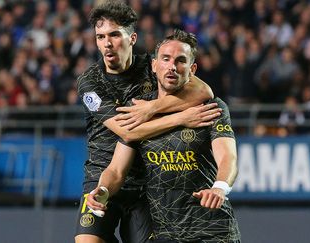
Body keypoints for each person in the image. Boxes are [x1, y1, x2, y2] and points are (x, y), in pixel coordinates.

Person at [75, 2, 219, 243]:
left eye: (114, 35)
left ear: (132, 38)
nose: (107, 43)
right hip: (101, 178)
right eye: (100, 37)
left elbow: (204, 91)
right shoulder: (90, 83)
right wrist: (180, 117)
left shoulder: (152, 67)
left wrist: (153, 107)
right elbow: (126, 131)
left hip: (146, 182)